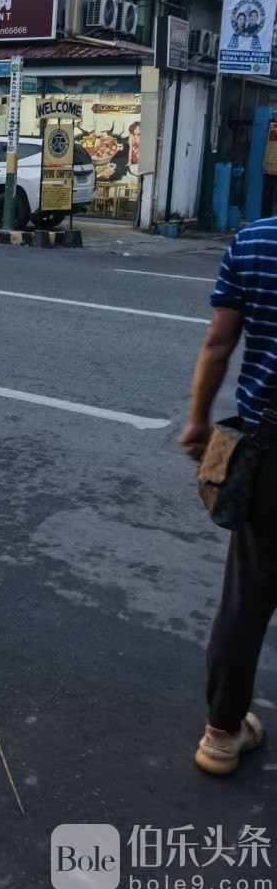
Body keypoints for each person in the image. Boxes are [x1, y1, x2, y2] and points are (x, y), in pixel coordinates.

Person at [179, 215, 277, 774]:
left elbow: (218, 344)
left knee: (246, 596)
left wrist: (197, 423)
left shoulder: (255, 240)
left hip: (268, 447)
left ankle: (221, 734)